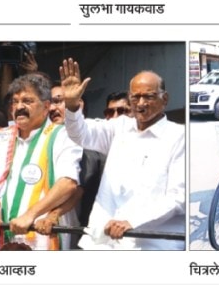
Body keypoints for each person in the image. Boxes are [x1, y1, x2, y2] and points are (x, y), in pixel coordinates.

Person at [59, 60, 185, 250]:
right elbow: (80, 134)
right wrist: (72, 105)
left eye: (148, 96)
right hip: (101, 241)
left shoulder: (179, 136)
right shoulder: (119, 127)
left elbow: (178, 198)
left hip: (151, 244)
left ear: (164, 99)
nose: (141, 103)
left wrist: (132, 222)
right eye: (135, 97)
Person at [0, 73, 82, 250]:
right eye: (15, 102)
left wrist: (30, 215)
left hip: (42, 233)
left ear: (46, 106)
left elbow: (68, 183)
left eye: (27, 101)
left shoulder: (63, 135)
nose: (19, 107)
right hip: (3, 230)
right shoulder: (3, 136)